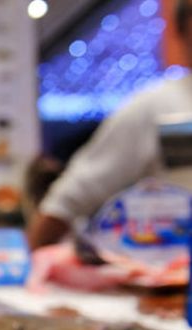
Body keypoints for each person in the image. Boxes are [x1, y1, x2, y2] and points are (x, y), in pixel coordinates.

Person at [27, 0, 192, 249]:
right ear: (183, 32)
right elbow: (72, 196)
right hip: (167, 274)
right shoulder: (157, 105)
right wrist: (31, 269)